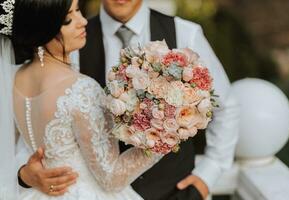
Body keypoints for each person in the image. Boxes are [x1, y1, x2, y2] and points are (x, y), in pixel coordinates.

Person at [17, 0, 239, 199]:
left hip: (177, 191)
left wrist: (207, 175)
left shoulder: (185, 33)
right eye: (69, 16)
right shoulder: (71, 43)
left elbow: (225, 106)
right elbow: (43, 126)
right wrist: (24, 173)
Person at [0, 0, 162, 199]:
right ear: (43, 27)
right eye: (68, 19)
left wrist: (24, 174)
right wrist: (162, 138)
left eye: (78, 11)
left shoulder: (12, 78)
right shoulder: (82, 89)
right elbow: (111, 179)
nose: (83, 21)